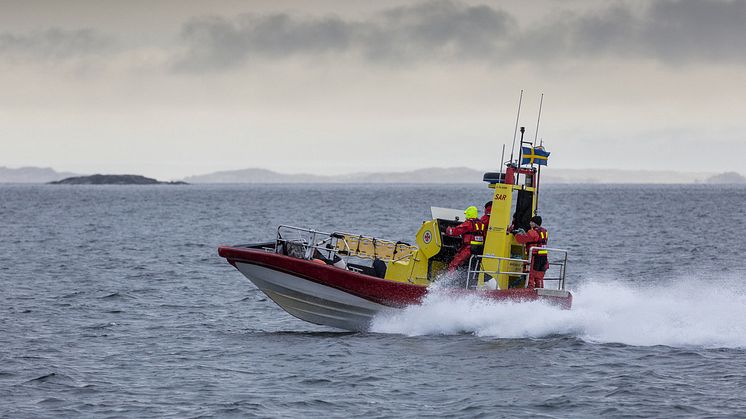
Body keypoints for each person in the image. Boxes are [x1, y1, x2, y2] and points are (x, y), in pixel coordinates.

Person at [445, 206, 486, 271]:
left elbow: (455, 231)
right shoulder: (481, 223)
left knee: (454, 263)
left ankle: (448, 278)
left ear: (469, 214)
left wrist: (448, 229)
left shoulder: (468, 224)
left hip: (469, 249)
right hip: (479, 249)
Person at [513, 215, 549, 288]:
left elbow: (522, 239)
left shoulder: (533, 232)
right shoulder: (544, 232)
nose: (530, 223)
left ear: (534, 223)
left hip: (535, 257)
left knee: (531, 275)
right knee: (539, 276)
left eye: (531, 222)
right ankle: (540, 290)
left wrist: (516, 234)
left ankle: (530, 289)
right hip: (544, 257)